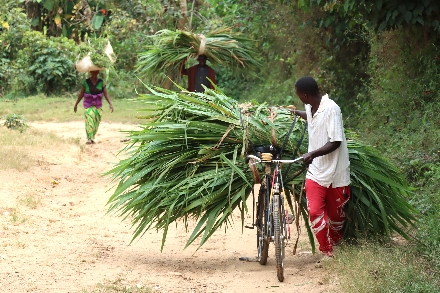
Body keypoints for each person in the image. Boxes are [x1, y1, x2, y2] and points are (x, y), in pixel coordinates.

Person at [290, 76, 350, 258]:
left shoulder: (331, 109)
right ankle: (327, 251)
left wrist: (312, 154)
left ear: (305, 94)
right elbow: (309, 116)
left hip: (337, 173)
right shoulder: (311, 107)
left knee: (336, 217)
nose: (299, 97)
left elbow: (336, 142)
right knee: (315, 212)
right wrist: (293, 113)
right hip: (316, 172)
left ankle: (337, 243)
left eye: (299, 95)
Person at [73, 70, 114, 144]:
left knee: (96, 123)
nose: (94, 74)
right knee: (89, 121)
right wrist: (76, 104)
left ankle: (92, 138)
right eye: (93, 72)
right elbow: (81, 94)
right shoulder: (85, 82)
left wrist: (110, 104)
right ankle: (89, 138)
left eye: (96, 72)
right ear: (90, 73)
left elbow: (106, 94)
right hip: (88, 105)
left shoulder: (101, 82)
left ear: (98, 72)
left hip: (98, 106)